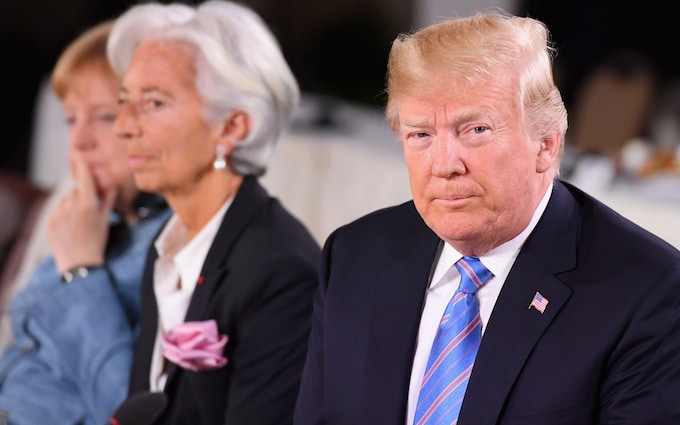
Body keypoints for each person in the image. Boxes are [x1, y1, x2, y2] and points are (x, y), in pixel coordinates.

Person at [294, 11, 680, 425]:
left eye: (475, 129)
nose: (444, 165)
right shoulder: (354, 255)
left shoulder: (648, 292)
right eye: (421, 135)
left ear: (546, 145)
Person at [107, 2, 321, 424]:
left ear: (232, 127)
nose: (123, 125)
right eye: (124, 100)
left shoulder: (283, 274)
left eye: (153, 103)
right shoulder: (168, 244)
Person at [0, 20, 171, 425]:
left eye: (105, 117)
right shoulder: (94, 216)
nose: (79, 143)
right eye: (71, 119)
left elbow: (127, 410)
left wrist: (81, 272)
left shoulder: (179, 244)